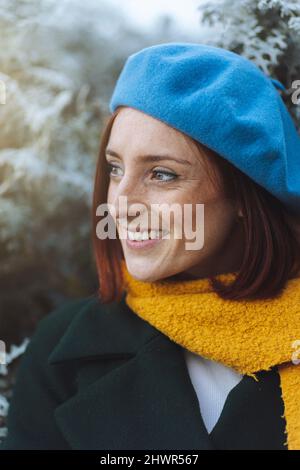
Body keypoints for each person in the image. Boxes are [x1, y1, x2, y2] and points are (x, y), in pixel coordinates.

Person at [1, 42, 300, 450]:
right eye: (114, 168)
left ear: (245, 195)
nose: (120, 204)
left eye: (161, 174)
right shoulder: (60, 347)